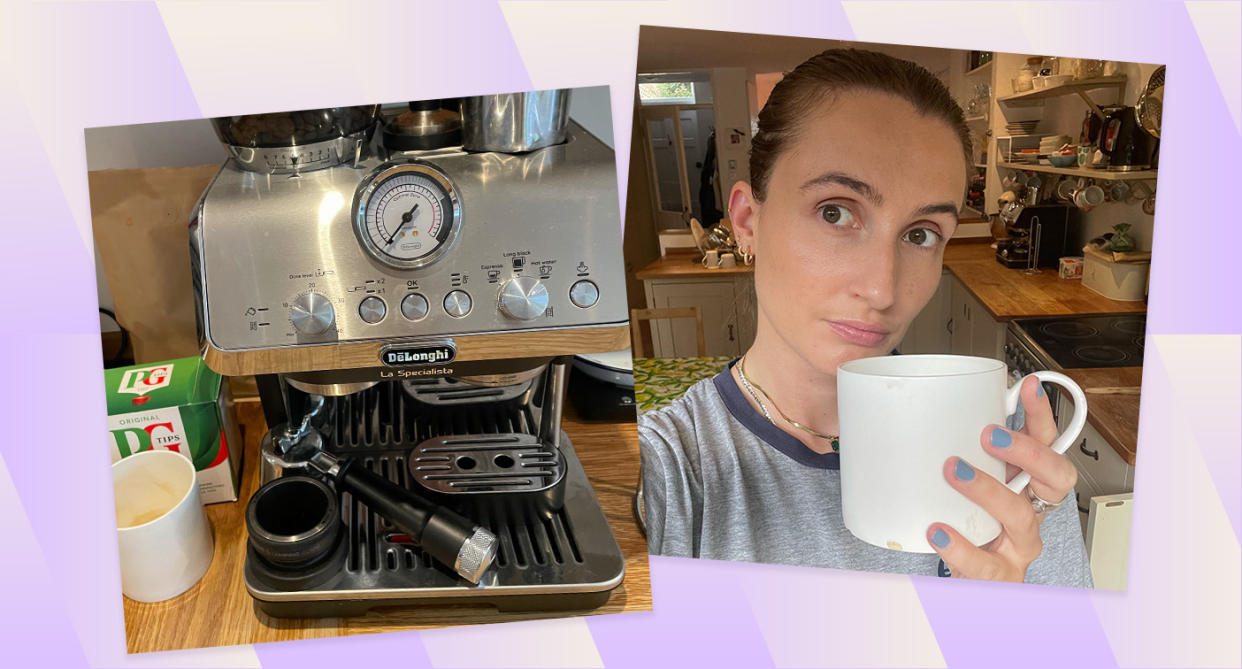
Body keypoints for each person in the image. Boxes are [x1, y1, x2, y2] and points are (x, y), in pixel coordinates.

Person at [638, 48, 1092, 586]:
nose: (883, 288)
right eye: (835, 212)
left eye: (921, 234)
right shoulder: (669, 471)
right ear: (747, 222)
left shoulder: (1005, 442)